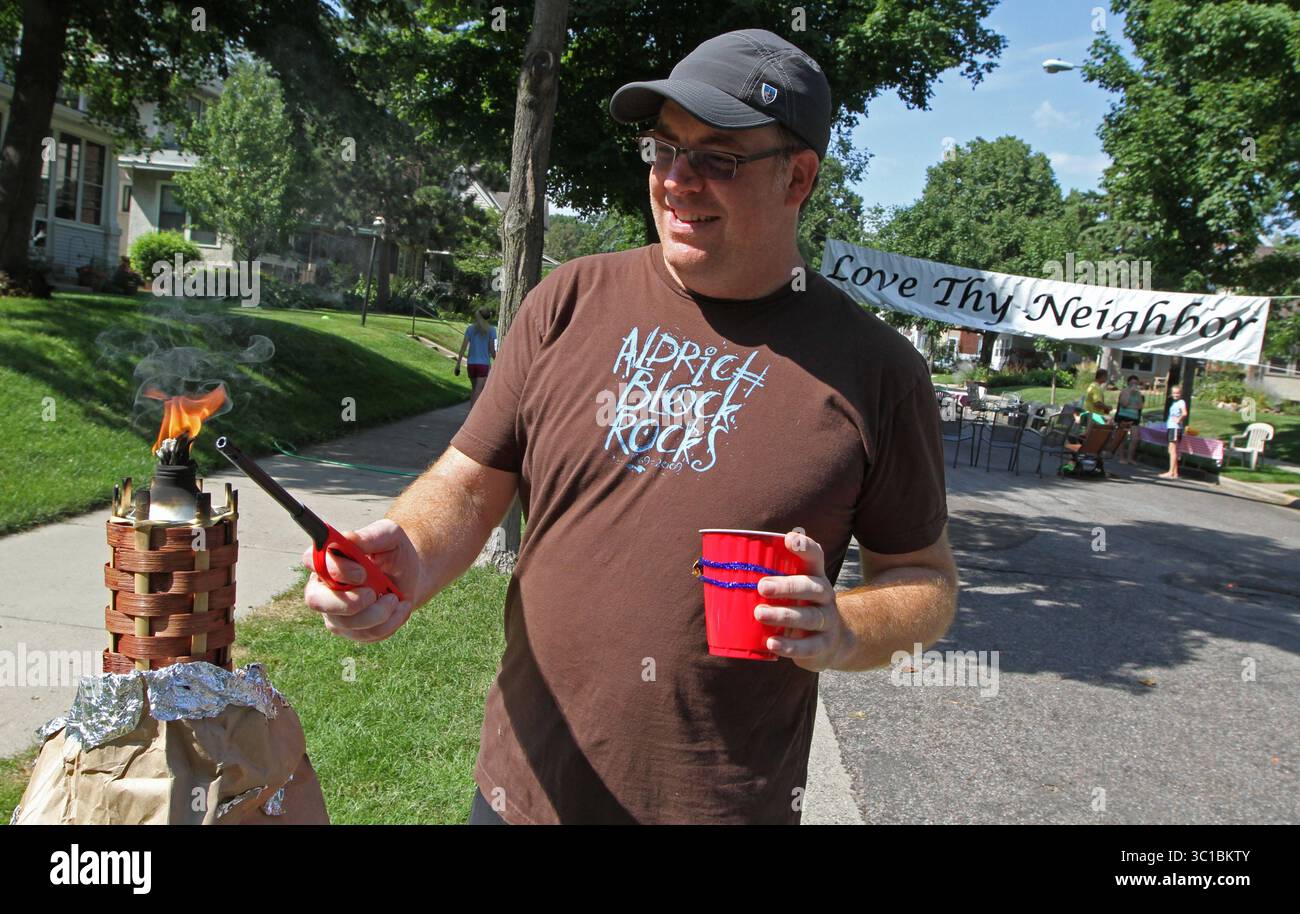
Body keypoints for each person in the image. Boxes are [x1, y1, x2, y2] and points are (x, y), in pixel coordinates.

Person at [300, 28, 957, 825]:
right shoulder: (569, 301)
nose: (678, 180)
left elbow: (924, 581)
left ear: (799, 176)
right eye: (663, 148)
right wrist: (406, 549)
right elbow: (469, 483)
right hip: (519, 796)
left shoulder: (877, 369)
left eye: (719, 157)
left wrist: (844, 628)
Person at [455, 307, 497, 408]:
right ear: (489, 317)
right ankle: (472, 417)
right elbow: (493, 350)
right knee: (478, 392)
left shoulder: (470, 329)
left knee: (475, 390)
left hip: (471, 365)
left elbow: (463, 347)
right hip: (483, 365)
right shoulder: (492, 330)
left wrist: (458, 364)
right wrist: (500, 360)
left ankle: (471, 415)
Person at [1114, 374, 1145, 465]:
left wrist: (1137, 395)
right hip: (1124, 416)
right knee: (1122, 437)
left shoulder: (1138, 393)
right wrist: (1130, 393)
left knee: (1135, 438)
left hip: (1134, 417)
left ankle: (1130, 458)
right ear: (1128, 383)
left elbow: (1140, 406)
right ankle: (1121, 457)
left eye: (1136, 383)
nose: (1134, 385)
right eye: (1132, 383)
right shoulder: (1125, 391)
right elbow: (1124, 404)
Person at [1158, 385, 1187, 479]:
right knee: (1171, 450)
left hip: (1175, 428)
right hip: (1171, 427)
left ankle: (1170, 472)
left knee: (1173, 450)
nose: (1175, 395)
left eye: (1177, 393)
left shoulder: (1181, 402)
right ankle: (1175, 472)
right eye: (1174, 393)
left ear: (1181, 393)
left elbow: (1184, 413)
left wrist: (1179, 420)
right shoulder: (1175, 402)